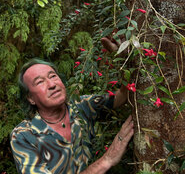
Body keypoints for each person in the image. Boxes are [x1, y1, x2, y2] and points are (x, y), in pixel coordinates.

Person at [10, 38, 134, 174]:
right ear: (30, 98)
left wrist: (122, 58)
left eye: (53, 76)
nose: (52, 84)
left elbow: (123, 96)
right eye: (40, 82)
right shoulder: (24, 135)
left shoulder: (82, 106)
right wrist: (107, 159)